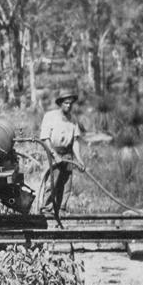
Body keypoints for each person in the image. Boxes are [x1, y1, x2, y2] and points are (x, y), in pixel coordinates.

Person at [39, 89, 85, 218]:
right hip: (52, 153)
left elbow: (75, 141)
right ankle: (46, 211)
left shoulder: (73, 119)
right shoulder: (50, 116)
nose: (68, 106)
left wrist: (79, 160)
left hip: (67, 154)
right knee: (52, 184)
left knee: (66, 185)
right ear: (60, 103)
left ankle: (61, 210)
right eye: (65, 103)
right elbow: (45, 139)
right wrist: (55, 155)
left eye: (70, 103)